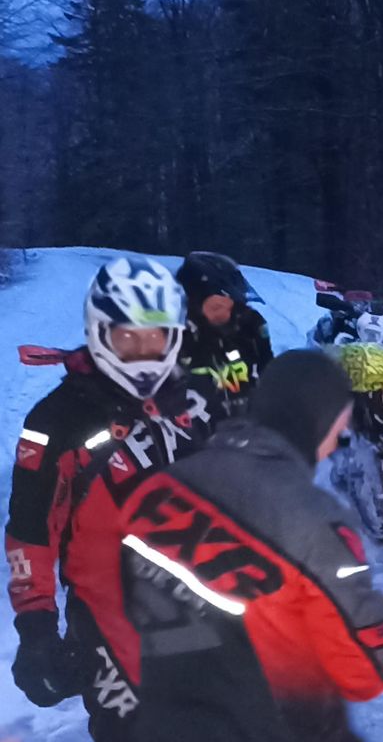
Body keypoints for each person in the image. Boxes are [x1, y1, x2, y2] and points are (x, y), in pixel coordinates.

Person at [120, 349, 383, 742]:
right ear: (318, 421)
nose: (340, 441)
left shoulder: (157, 490)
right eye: (340, 425)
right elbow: (367, 671)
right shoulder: (314, 520)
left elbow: (116, 615)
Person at [6, 256, 217, 740]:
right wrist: (36, 629)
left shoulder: (193, 401)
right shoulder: (56, 419)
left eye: (155, 337)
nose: (143, 352)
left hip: (204, 604)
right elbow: (29, 530)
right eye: (127, 337)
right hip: (107, 620)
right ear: (99, 334)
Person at [175, 251, 274, 417]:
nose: (226, 314)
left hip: (246, 424)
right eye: (217, 308)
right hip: (192, 427)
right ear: (193, 305)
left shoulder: (248, 325)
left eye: (231, 306)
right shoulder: (177, 338)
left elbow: (269, 371)